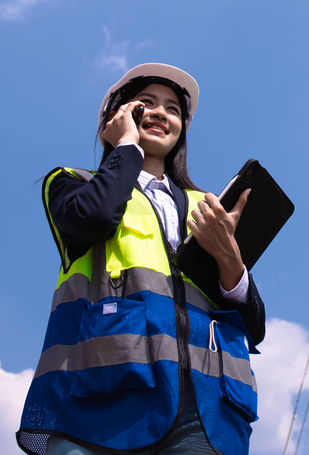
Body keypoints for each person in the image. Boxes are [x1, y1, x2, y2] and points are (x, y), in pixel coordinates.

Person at [17, 63, 265, 455]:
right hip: (97, 399)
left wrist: (230, 257)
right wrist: (126, 148)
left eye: (172, 109)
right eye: (145, 103)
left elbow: (254, 324)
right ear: (115, 118)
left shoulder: (210, 208)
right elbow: (95, 217)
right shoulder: (70, 183)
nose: (160, 113)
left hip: (203, 411)